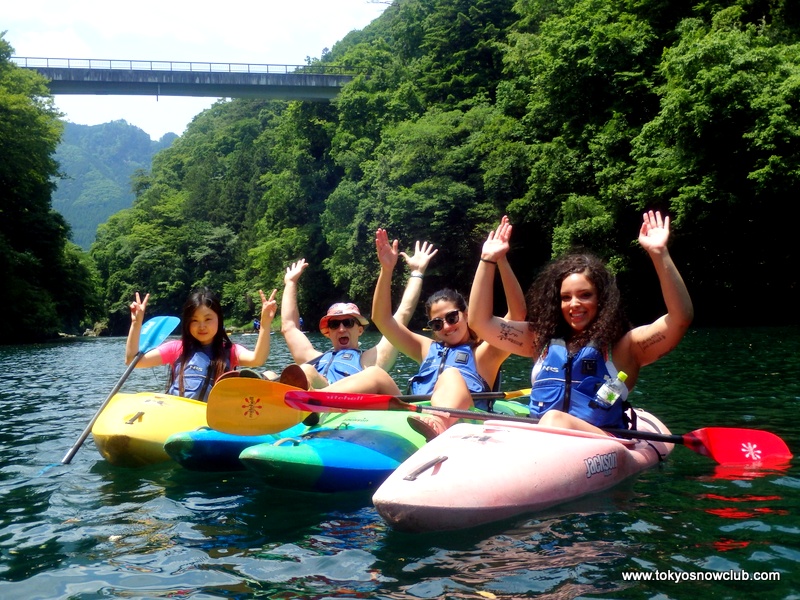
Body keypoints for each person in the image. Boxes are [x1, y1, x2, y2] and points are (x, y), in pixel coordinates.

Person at [468, 210, 694, 435]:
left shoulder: (626, 347)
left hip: (598, 441)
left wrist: (659, 253)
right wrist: (487, 259)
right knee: (550, 421)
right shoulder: (540, 341)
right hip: (540, 439)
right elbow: (479, 322)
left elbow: (679, 319)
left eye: (585, 295)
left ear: (601, 299)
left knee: (556, 420)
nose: (574, 304)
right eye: (566, 298)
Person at [319, 217, 526, 439]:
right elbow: (382, 319)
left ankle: (437, 421)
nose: (446, 327)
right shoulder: (426, 349)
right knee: (375, 373)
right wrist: (386, 270)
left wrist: (501, 260)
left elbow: (517, 317)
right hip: (412, 417)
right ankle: (314, 401)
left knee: (451, 374)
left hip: (460, 419)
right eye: (437, 323)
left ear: (466, 315)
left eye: (452, 317)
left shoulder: (485, 354)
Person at [281, 240, 438, 388]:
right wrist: (290, 283)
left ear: (360, 329)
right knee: (276, 373)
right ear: (328, 332)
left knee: (306, 370)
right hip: (311, 396)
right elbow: (289, 327)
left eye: (348, 323)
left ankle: (304, 403)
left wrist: (416, 273)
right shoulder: (314, 359)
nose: (341, 329)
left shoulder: (370, 360)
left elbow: (403, 313)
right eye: (335, 324)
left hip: (340, 403)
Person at [125, 286, 278, 401]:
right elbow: (133, 362)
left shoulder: (230, 351)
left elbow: (257, 359)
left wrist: (265, 323)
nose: (202, 326)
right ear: (187, 323)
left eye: (208, 319)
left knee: (270, 375)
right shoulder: (177, 348)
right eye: (195, 320)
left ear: (219, 319)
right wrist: (136, 323)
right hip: (178, 415)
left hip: (213, 419)